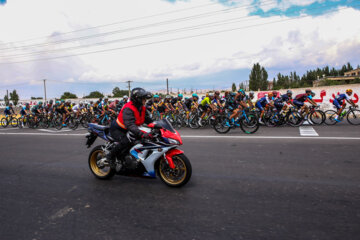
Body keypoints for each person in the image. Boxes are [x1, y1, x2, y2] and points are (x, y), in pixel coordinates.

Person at [107, 88, 153, 167]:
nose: (145, 100)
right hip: (118, 129)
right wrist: (141, 133)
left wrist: (158, 125)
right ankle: (110, 156)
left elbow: (148, 120)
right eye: (143, 99)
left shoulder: (142, 108)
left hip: (130, 129)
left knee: (143, 141)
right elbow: (130, 125)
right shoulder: (128, 108)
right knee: (125, 142)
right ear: (137, 99)